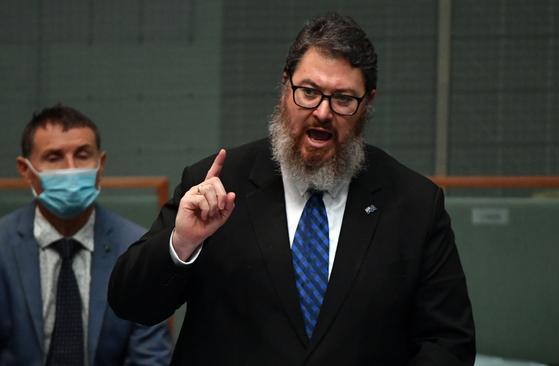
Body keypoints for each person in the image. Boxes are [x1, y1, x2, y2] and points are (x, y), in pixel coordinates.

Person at [109, 12, 475, 366]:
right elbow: (131, 304)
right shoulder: (216, 182)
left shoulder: (413, 203)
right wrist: (182, 243)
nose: (322, 112)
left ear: (368, 103)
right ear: (286, 87)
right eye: (309, 92)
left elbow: (449, 343)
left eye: (344, 99)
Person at [0, 104, 172, 366]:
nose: (70, 169)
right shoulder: (3, 245)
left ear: (100, 165)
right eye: (54, 157)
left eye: (82, 155)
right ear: (26, 170)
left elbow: (150, 357)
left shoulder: (137, 249)